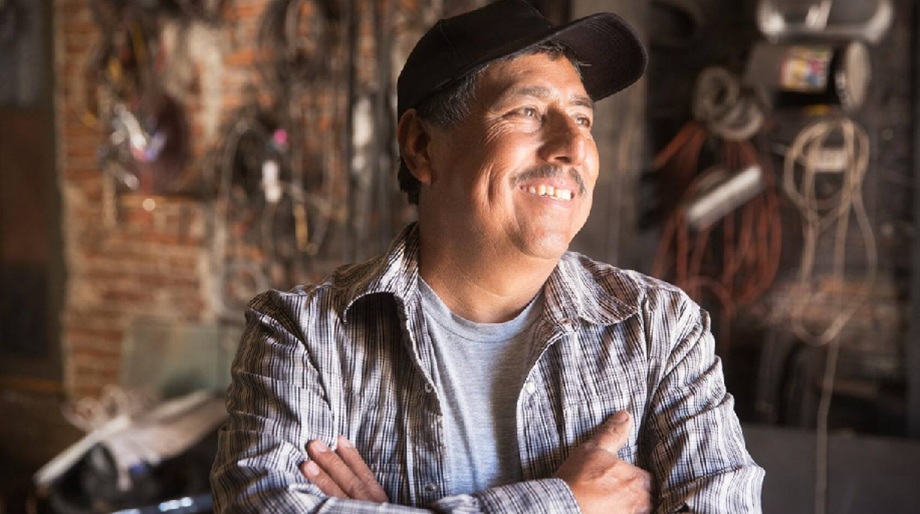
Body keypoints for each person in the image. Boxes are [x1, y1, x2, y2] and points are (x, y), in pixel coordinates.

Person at [210, 1, 765, 512]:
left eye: (583, 118)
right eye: (527, 111)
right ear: (421, 146)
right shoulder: (302, 335)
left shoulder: (660, 329)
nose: (573, 146)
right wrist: (563, 504)